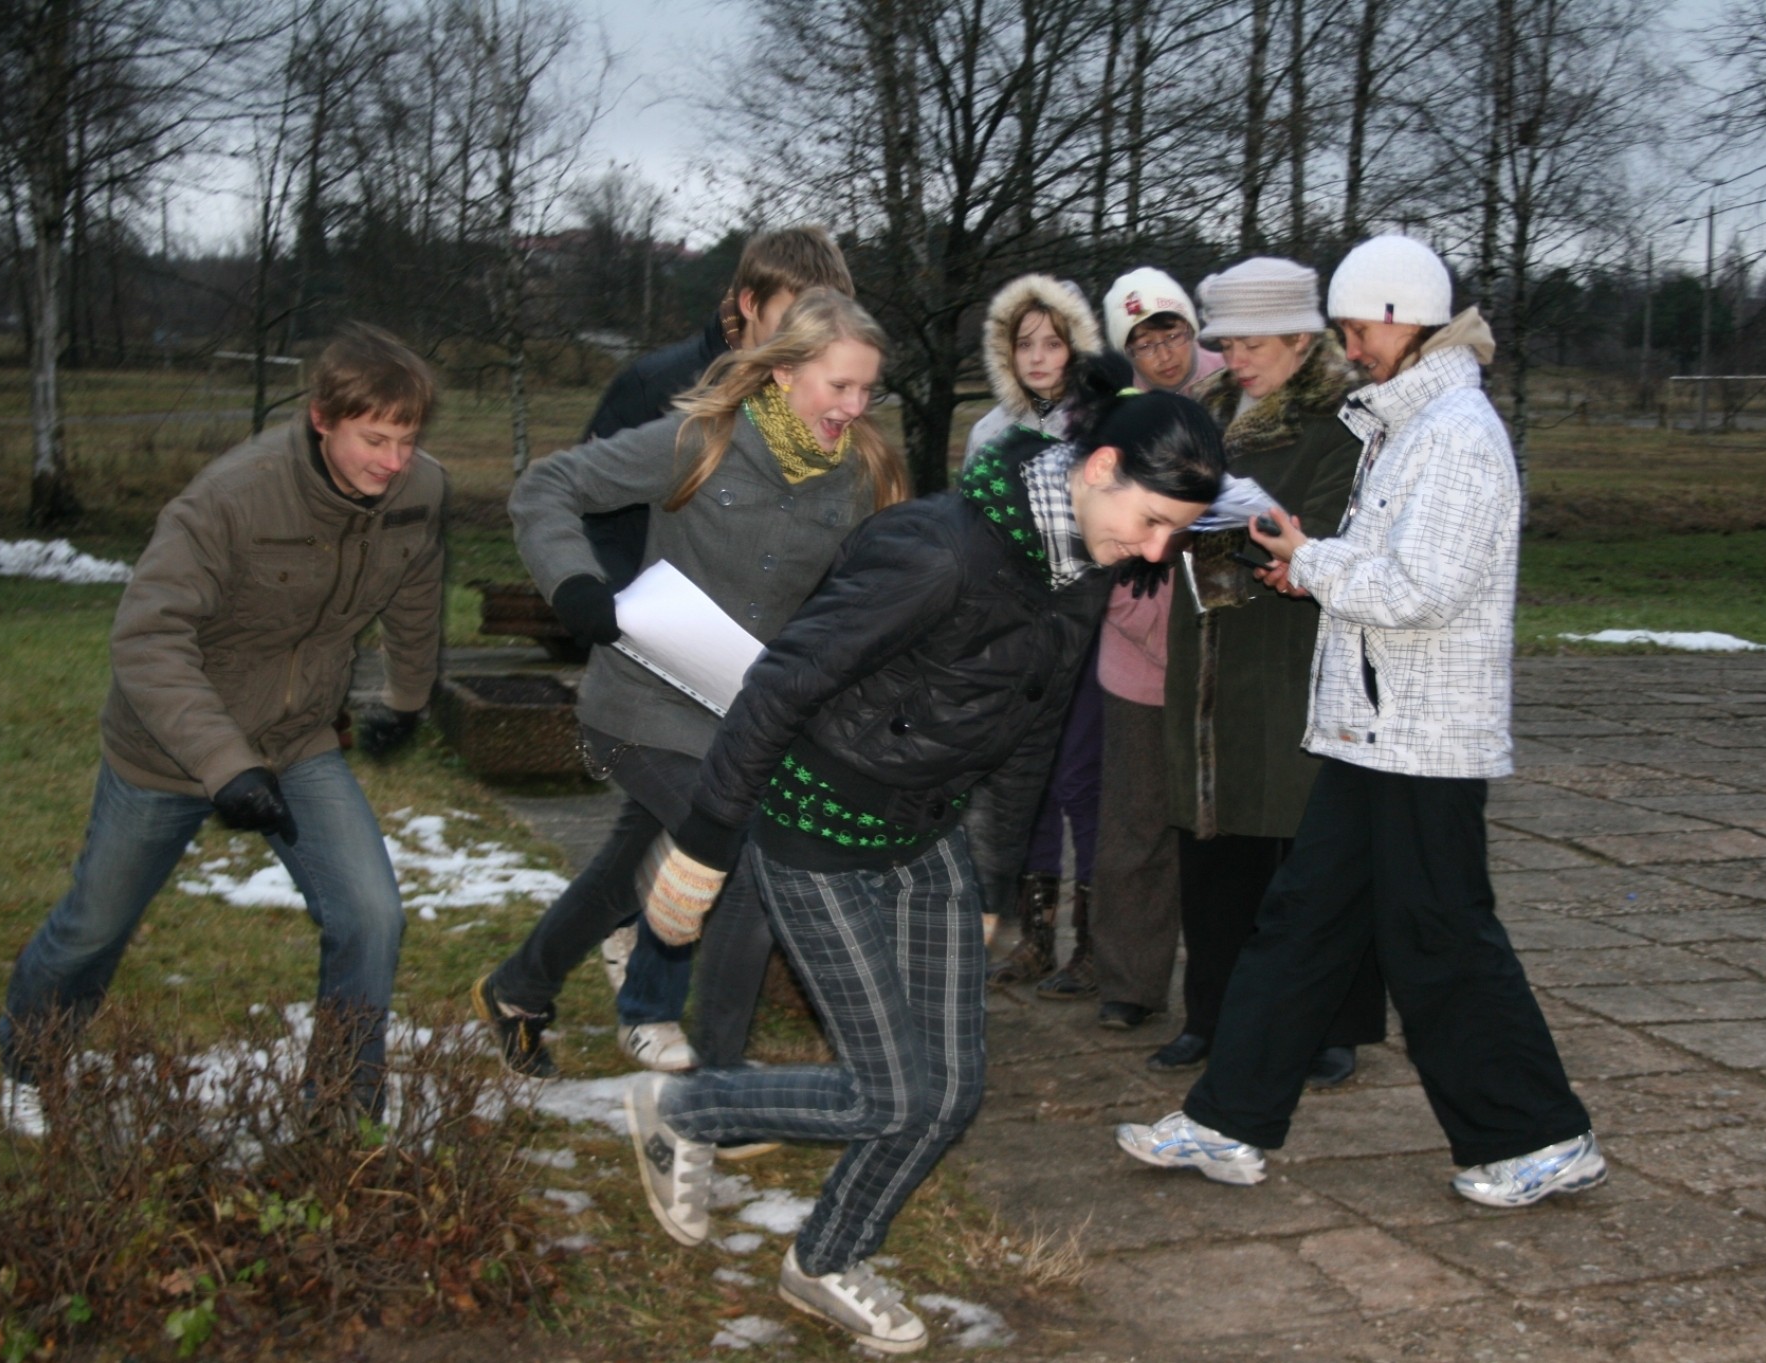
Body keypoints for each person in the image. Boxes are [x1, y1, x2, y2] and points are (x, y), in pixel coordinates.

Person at [620, 356, 1225, 1353]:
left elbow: (1027, 736)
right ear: (1101, 465)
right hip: (813, 828)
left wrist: (992, 881)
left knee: (948, 1089)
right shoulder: (938, 550)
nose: (1153, 549)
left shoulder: (1077, 574)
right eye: (1151, 520)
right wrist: (701, 845)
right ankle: (688, 1105)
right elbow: (778, 687)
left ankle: (823, 1256)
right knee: (889, 1089)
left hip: (927, 833)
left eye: (1172, 533)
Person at [1117, 236, 1607, 1210]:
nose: (1345, 346)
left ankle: (1538, 1137)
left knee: (1443, 939)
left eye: (1351, 328)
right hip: (1371, 729)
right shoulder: (1404, 424)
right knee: (1299, 924)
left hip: (1422, 735)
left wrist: (1308, 564)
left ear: (1401, 317)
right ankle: (1227, 1121)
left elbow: (1420, 588)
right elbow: (1387, 563)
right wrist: (1312, 551)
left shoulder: (1455, 433)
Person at [0, 324, 446, 1136]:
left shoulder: (416, 493)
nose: (393, 460)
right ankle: (28, 1063)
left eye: (406, 440)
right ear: (321, 419)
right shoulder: (229, 499)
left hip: (298, 735)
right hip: (169, 746)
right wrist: (224, 765)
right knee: (92, 926)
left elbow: (416, 590)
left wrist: (407, 696)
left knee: (371, 915)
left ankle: (341, 1109)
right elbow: (148, 636)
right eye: (374, 439)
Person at [470, 289, 908, 1086]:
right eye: (838, 386)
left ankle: (517, 989)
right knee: (743, 851)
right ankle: (722, 1082)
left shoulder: (863, 474)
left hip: (739, 718)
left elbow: (865, 596)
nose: (854, 406)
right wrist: (575, 586)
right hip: (641, 706)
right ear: (782, 374)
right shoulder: (700, 440)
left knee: (629, 873)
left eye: (866, 389)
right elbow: (547, 487)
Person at [579, 226, 857, 1072]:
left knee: (648, 845)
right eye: (790, 315)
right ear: (744, 304)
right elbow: (591, 503)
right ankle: (655, 1010)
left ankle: (530, 978)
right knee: (712, 826)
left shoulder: (815, 402)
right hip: (656, 651)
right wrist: (628, 610)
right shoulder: (661, 387)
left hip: (750, 665)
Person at [1148, 257, 1386, 1078]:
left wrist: (1238, 527)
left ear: (1299, 336)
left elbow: (1327, 534)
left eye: (1252, 343)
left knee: (1305, 851)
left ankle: (1329, 1025)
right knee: (1213, 854)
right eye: (1227, 342)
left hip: (1291, 657)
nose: (1235, 358)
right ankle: (1211, 1015)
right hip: (1206, 655)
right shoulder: (1196, 413)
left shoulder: (1339, 425)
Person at [1063, 265, 1228, 1019]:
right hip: (1136, 656)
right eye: (1145, 341)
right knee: (1132, 827)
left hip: (1223, 655)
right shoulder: (1113, 420)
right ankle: (1129, 983)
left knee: (1221, 835)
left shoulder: (1234, 397)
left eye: (1174, 332)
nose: (1164, 352)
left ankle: (1222, 987)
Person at [962, 274, 1110, 986]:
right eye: (1026, 343)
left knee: (1081, 780)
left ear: (1075, 345)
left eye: (1054, 342)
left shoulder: (1100, 428)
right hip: (1012, 636)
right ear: (1006, 351)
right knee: (1028, 783)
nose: (1041, 356)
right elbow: (969, 534)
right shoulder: (991, 433)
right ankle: (1033, 935)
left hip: (1083, 632)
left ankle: (1092, 942)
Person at [1101, 265, 1226, 398]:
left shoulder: (1233, 374)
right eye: (1144, 346)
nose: (1165, 357)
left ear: (1190, 329)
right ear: (1126, 353)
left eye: (1173, 337)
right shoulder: (1117, 405)